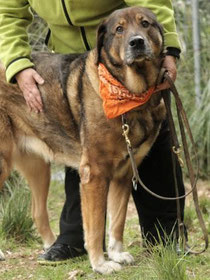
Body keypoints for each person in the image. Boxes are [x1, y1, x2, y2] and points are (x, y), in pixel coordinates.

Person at [0, 0, 185, 264]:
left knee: (145, 156)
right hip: (73, 59)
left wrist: (170, 49)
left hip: (118, 47)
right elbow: (8, 11)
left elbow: (150, 3)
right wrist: (17, 64)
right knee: (94, 163)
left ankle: (164, 239)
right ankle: (78, 242)